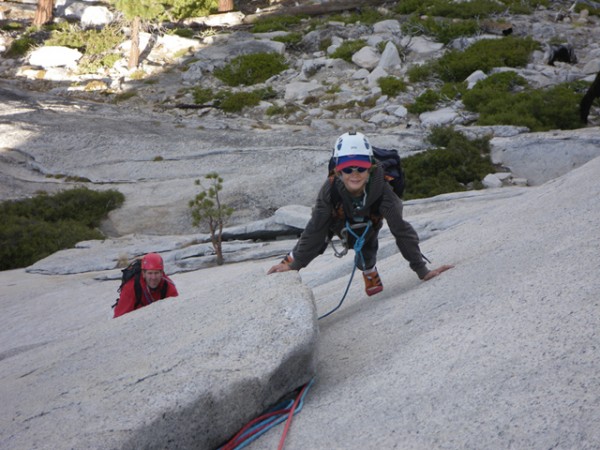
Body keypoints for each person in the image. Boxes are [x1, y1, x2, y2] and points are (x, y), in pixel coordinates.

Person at [267, 131, 453, 295]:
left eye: (361, 168)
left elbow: (401, 231)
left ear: (370, 168)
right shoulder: (329, 191)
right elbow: (315, 229)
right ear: (338, 170)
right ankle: (291, 257)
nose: (354, 174)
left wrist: (423, 271)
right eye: (348, 168)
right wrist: (294, 265)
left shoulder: (384, 193)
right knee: (320, 237)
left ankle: (368, 269)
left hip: (369, 218)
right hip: (336, 217)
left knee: (366, 243)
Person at [113, 252, 179, 318]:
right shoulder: (131, 287)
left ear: (162, 273)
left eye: (156, 273)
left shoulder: (168, 286)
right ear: (143, 273)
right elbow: (119, 317)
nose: (153, 277)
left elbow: (176, 311)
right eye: (150, 273)